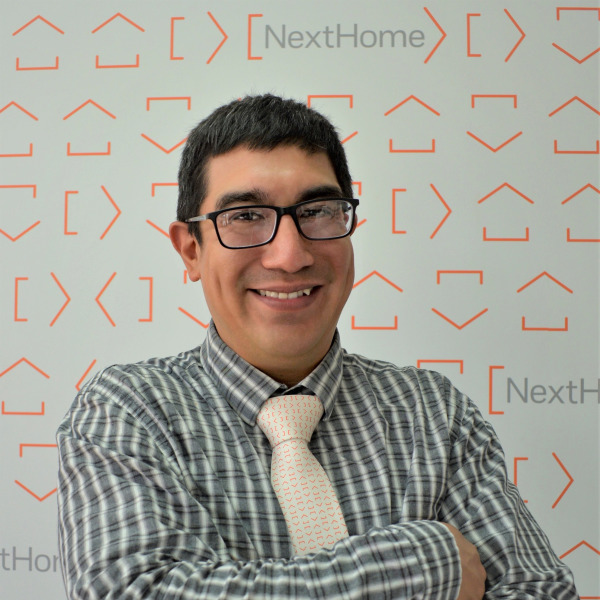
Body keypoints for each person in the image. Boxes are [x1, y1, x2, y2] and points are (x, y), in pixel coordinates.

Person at [56, 94, 578, 599]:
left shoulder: (434, 413)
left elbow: (540, 593)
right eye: (246, 216)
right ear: (191, 249)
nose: (289, 255)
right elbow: (140, 591)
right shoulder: (127, 410)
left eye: (318, 211)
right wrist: (427, 563)